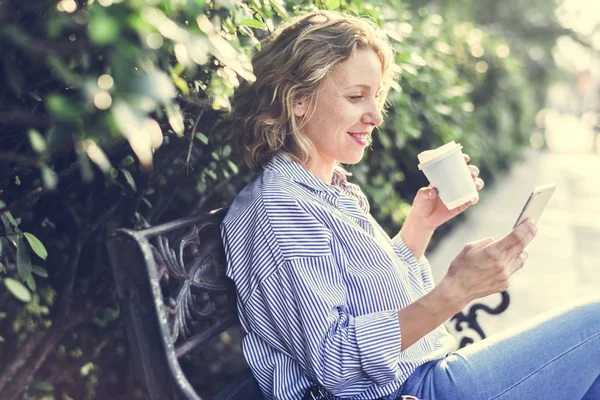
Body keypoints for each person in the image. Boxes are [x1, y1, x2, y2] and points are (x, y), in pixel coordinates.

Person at [220, 10, 600, 400]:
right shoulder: (280, 207)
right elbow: (333, 362)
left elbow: (371, 301)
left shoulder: (326, 190)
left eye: (376, 96)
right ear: (298, 100)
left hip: (425, 375)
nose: (375, 116)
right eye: (356, 96)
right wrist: (456, 290)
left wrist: (420, 227)